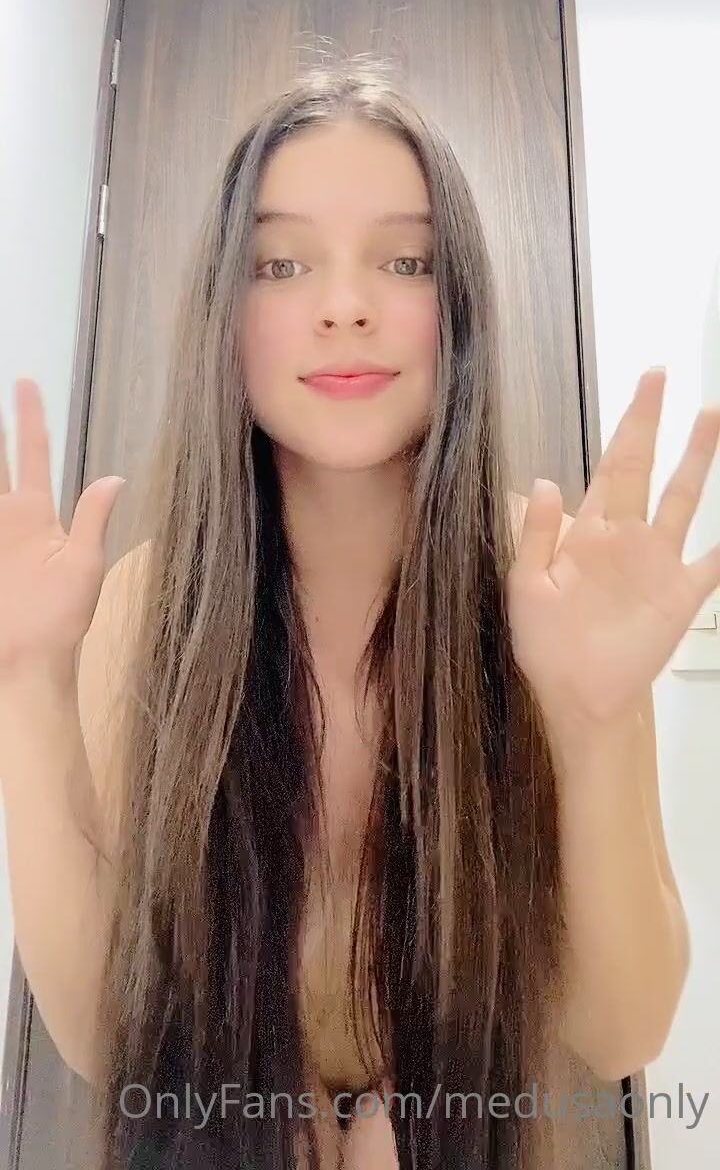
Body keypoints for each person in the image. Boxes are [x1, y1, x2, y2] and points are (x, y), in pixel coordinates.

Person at [0, 60, 716, 1170]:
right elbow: (106, 1033)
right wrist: (25, 682)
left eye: (406, 260)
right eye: (282, 264)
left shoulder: (547, 593)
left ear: (458, 306)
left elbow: (624, 1028)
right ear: (224, 318)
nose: (345, 304)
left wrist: (597, 720)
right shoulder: (145, 606)